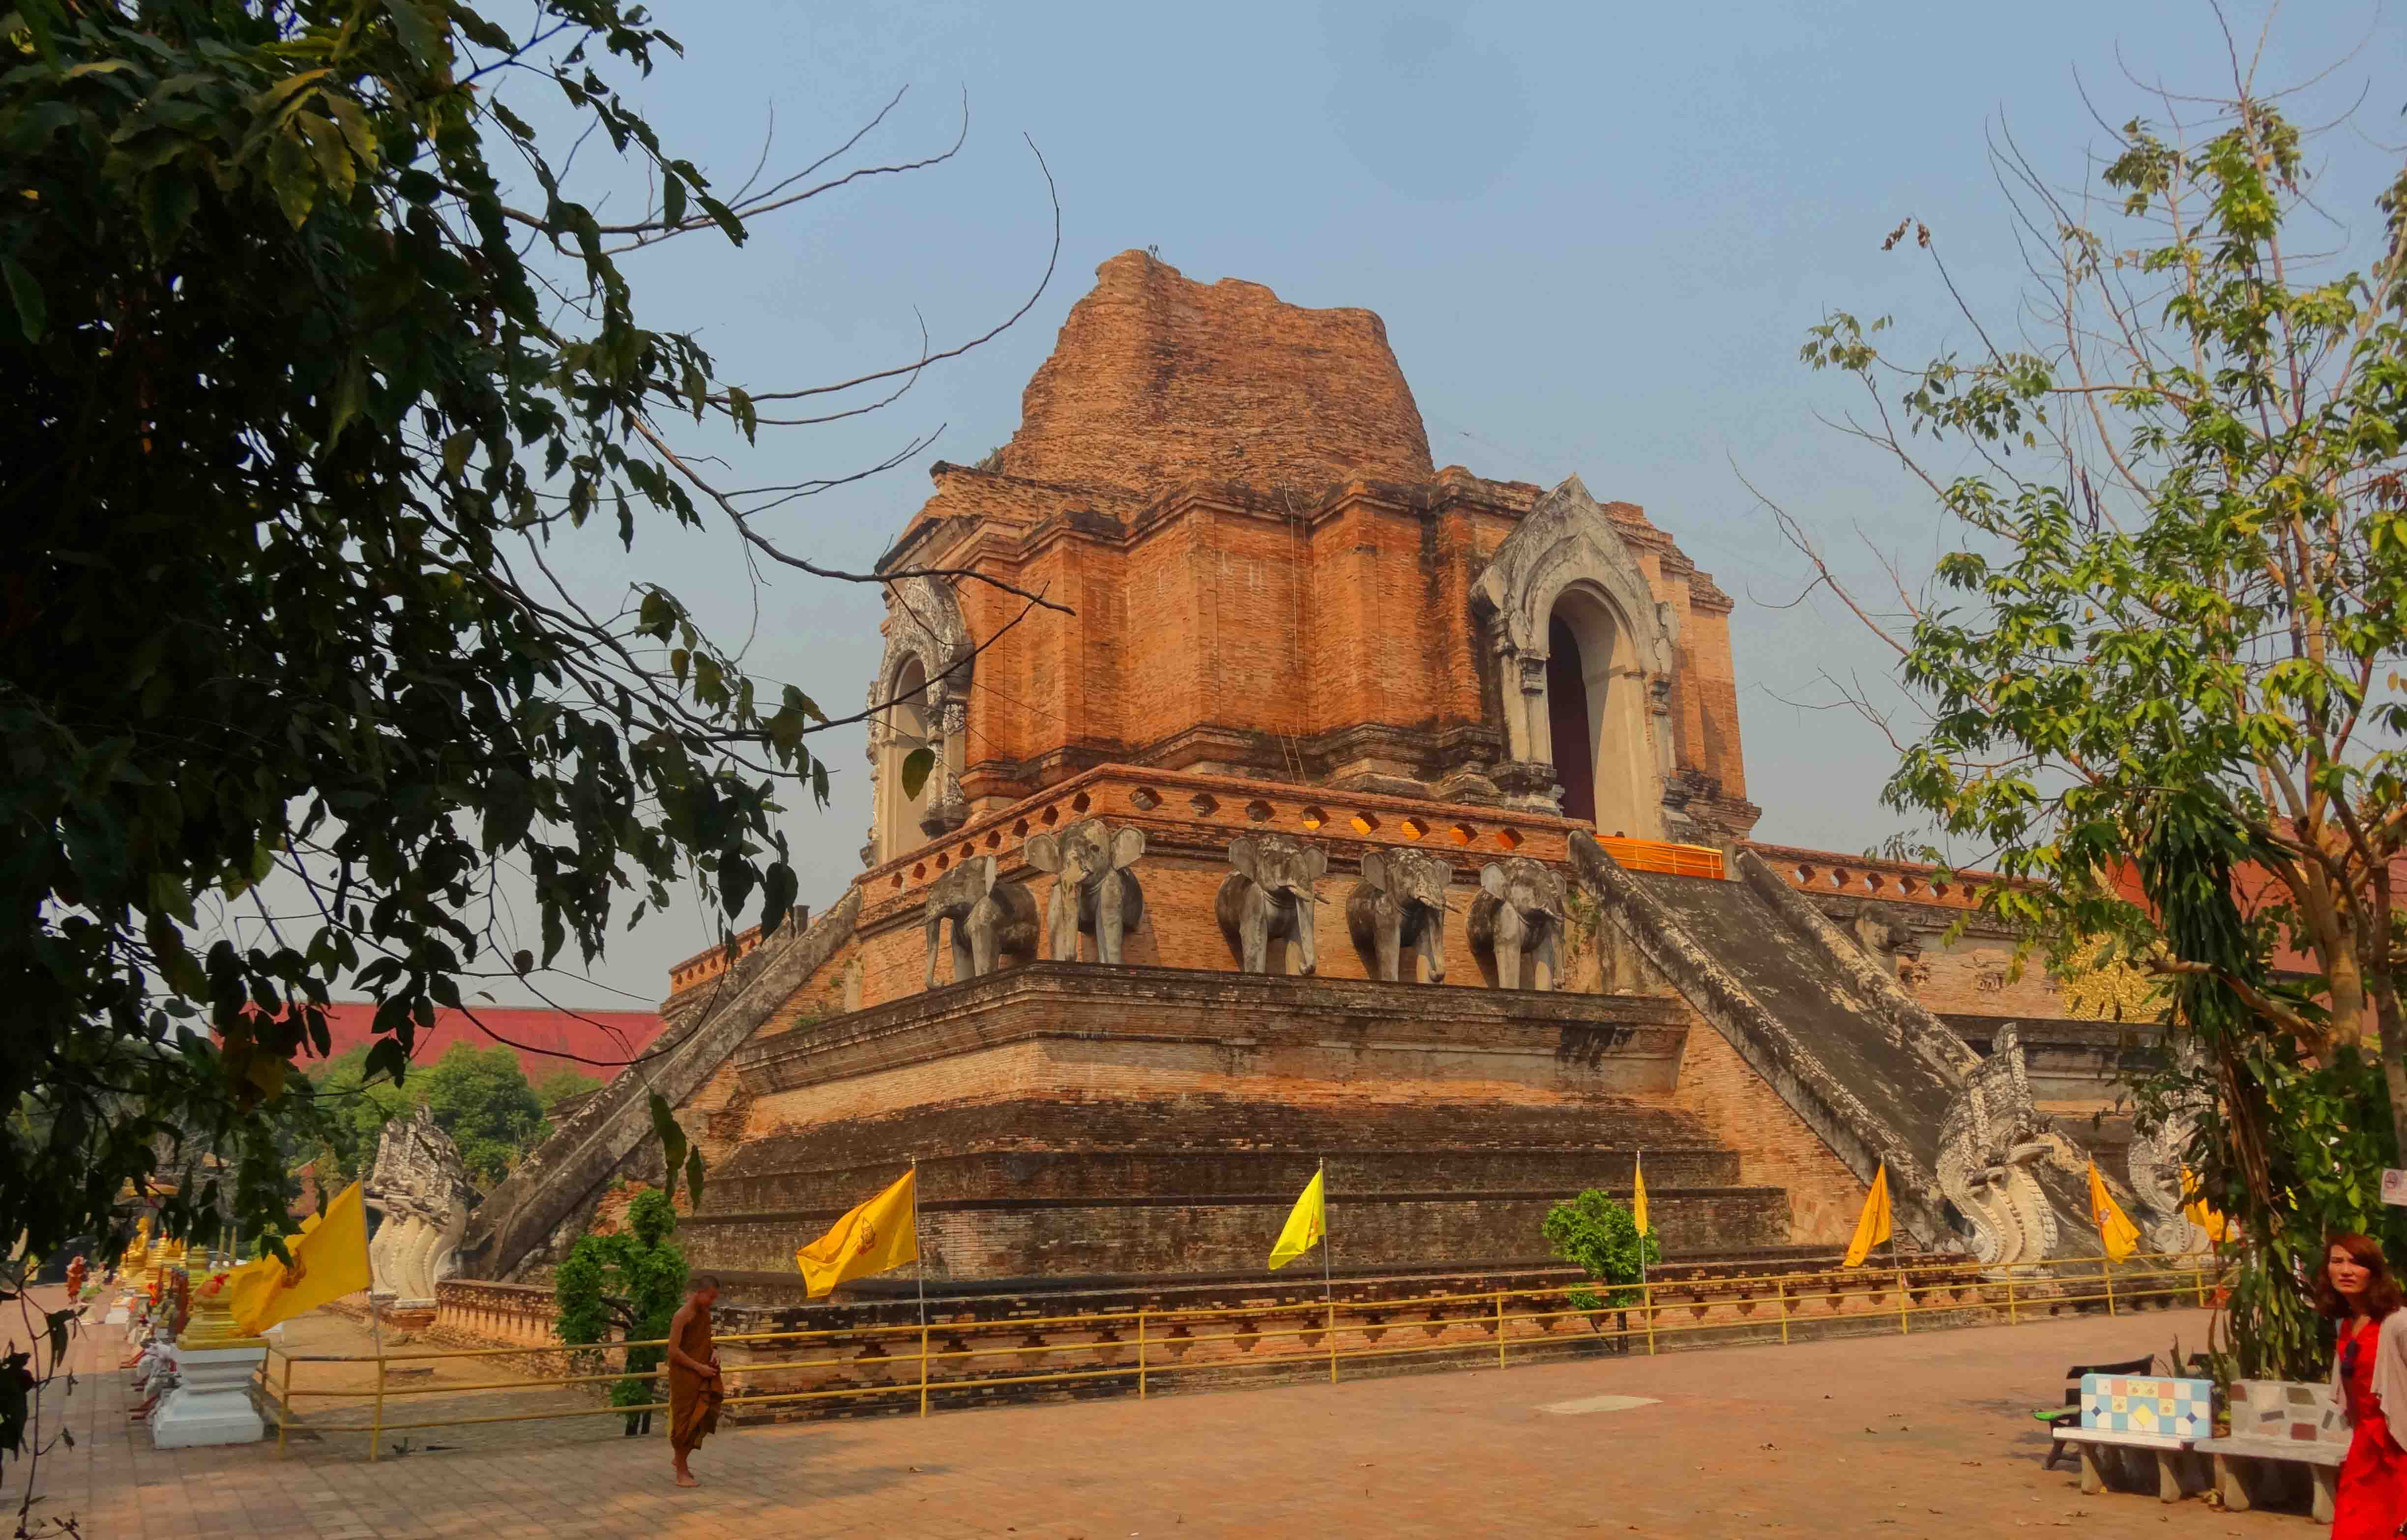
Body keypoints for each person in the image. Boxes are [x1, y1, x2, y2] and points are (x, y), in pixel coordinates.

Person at [2322, 1232, 2407, 1540]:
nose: (2346, 1270)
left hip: (2398, 1445)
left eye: (2357, 1263)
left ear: (2374, 1271)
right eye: (2337, 1261)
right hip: (2365, 1445)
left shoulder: (2398, 1324)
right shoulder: (2346, 1323)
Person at [664, 1275, 724, 1489]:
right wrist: (699, 1368)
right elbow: (673, 1351)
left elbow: (706, 1341)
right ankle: (681, 1473)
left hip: (703, 1373)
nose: (712, 1302)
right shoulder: (682, 1316)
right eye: (710, 1297)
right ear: (699, 1293)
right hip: (685, 1376)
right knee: (684, 1423)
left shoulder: (705, 1315)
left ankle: (680, 1460)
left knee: (703, 1417)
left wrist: (713, 1353)